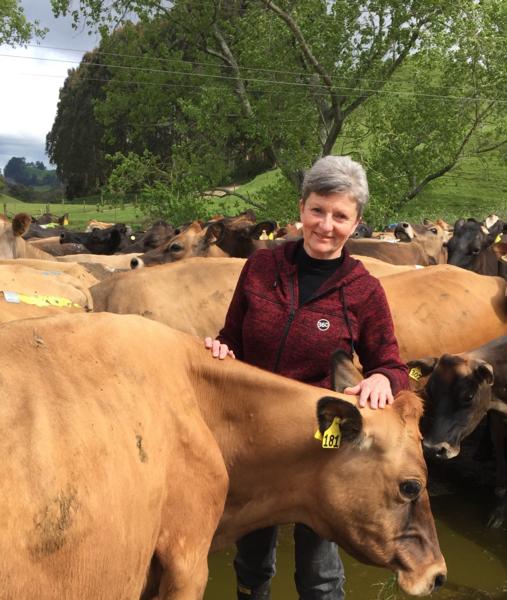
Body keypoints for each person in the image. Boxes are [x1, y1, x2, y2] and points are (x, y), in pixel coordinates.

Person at [204, 155, 409, 600]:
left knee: (319, 572)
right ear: (301, 208)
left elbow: (392, 365)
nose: (326, 225)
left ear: (356, 223)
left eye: (340, 215)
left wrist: (382, 380)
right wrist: (221, 349)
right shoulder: (260, 268)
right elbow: (230, 337)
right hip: (255, 439)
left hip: (323, 447)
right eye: (318, 210)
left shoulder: (364, 290)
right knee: (252, 560)